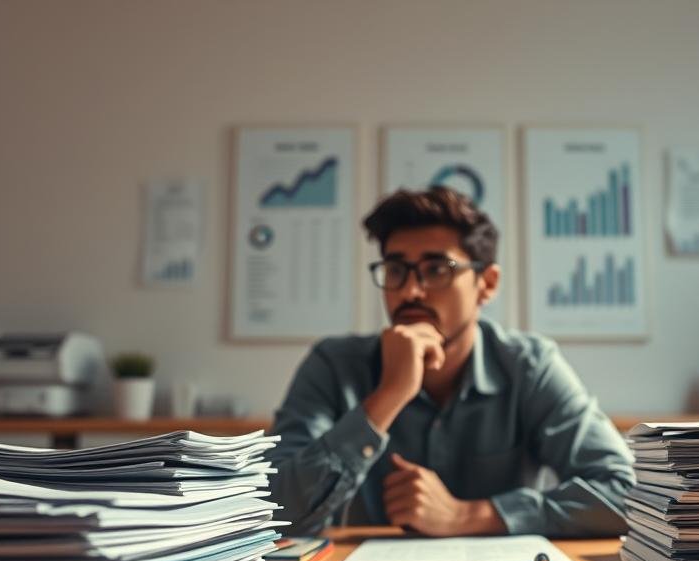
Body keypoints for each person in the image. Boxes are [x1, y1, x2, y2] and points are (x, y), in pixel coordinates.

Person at [269, 187, 634, 537]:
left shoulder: (529, 366)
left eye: (437, 269)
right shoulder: (333, 365)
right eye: (396, 270)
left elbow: (627, 494)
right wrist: (387, 397)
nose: (411, 291)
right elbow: (273, 513)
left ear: (487, 283)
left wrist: (468, 515)